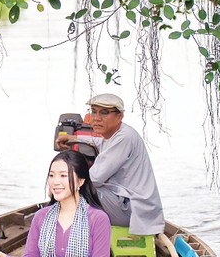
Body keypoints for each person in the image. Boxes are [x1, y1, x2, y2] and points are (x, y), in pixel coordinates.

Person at [56, 93, 164, 236]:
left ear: (119, 116)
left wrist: (60, 182)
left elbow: (94, 178)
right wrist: (73, 138)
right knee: (72, 186)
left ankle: (66, 232)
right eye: (94, 111)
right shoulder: (114, 135)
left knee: (83, 188)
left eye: (105, 113)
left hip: (133, 211)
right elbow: (99, 142)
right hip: (125, 203)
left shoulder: (124, 138)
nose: (97, 118)